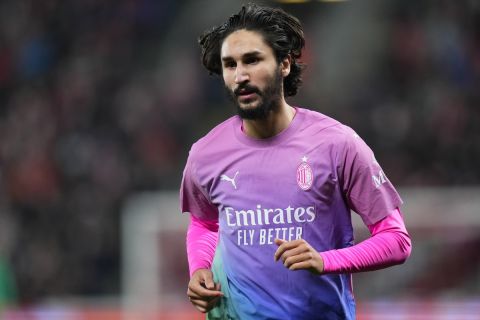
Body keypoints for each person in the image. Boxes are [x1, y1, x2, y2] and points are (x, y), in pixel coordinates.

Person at [180, 3, 412, 319]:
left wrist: (326, 260)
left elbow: (396, 240)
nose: (241, 75)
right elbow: (204, 223)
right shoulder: (205, 154)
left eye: (252, 60)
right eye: (230, 65)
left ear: (285, 64)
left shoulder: (337, 143)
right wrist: (200, 268)